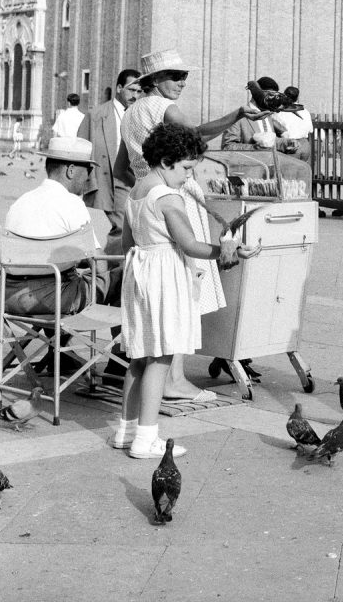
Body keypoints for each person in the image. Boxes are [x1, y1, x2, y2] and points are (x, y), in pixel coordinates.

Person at [119, 47, 266, 402]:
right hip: (176, 196)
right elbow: (196, 137)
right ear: (154, 80)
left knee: (164, 283)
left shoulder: (128, 114)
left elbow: (120, 167)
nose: (182, 82)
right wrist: (236, 115)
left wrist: (146, 178)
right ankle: (175, 378)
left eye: (184, 76)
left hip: (144, 195)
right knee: (187, 279)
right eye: (175, 76)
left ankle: (165, 376)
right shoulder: (162, 107)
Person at [113, 124, 258, 459]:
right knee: (162, 355)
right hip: (165, 276)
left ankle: (126, 430)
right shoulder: (168, 196)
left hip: (140, 272)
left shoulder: (137, 190)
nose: (188, 177)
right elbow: (190, 244)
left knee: (138, 355)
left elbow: (126, 243)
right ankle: (146, 439)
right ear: (166, 161)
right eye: (187, 169)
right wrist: (230, 251)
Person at [0, 136, 109, 318]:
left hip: (6, 295)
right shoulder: (72, 203)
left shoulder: (21, 202)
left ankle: (58, 344)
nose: (89, 177)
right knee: (117, 278)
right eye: (89, 169)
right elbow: (98, 263)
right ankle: (118, 345)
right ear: (71, 170)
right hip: (49, 299)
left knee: (63, 279)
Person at [78, 69, 142, 254]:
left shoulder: (139, 115)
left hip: (132, 180)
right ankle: (107, 276)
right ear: (119, 88)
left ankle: (112, 276)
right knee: (112, 230)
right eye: (131, 90)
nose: (135, 95)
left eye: (139, 91)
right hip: (107, 181)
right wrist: (87, 183)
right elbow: (82, 149)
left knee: (128, 230)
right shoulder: (96, 115)